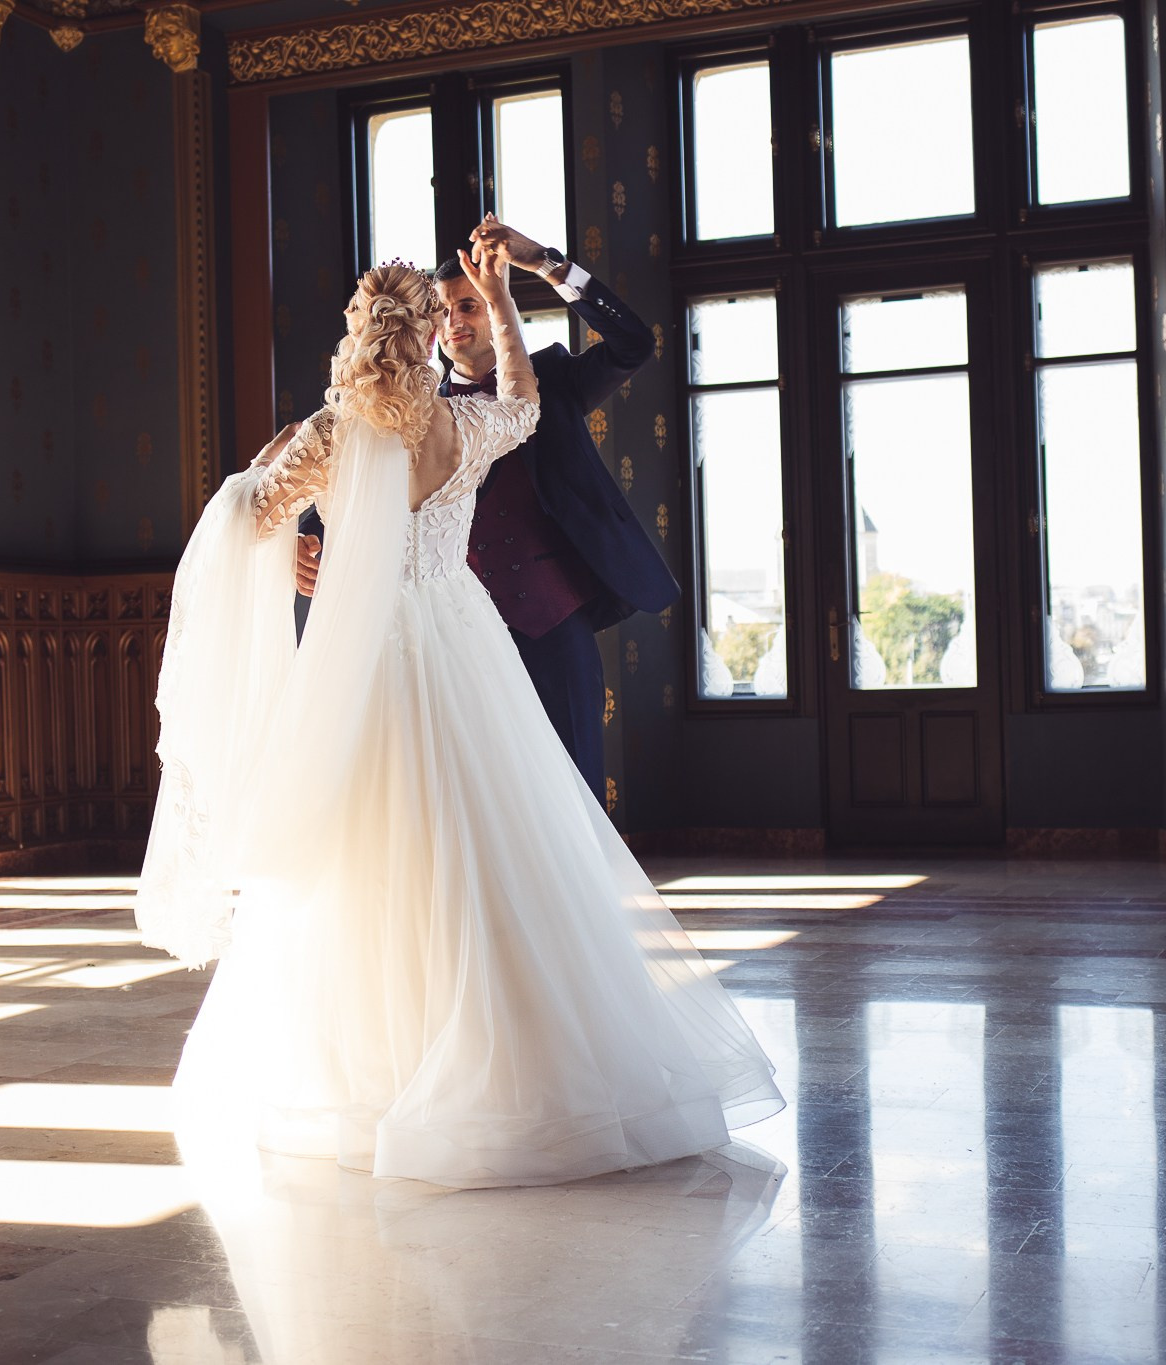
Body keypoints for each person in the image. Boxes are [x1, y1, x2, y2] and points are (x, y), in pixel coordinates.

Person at [134, 242, 782, 1190]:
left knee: (367, 852)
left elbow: (247, 521)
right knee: (495, 842)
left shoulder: (327, 435)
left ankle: (382, 1066)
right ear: (431, 332)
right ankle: (526, 1058)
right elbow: (523, 399)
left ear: (358, 334)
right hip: (461, 639)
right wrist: (505, 307)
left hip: (368, 656)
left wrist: (288, 555)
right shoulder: (461, 427)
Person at [295, 215, 676, 798]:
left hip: (553, 624)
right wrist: (309, 539)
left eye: (470, 306)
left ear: (498, 307)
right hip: (453, 635)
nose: (454, 322)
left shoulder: (550, 380)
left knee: (574, 793)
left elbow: (634, 343)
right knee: (475, 799)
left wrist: (545, 262)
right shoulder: (412, 409)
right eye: (443, 310)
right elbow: (356, 485)